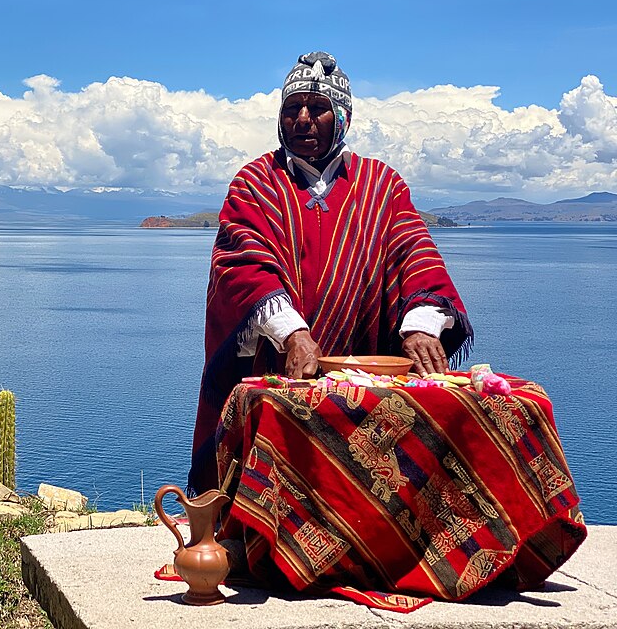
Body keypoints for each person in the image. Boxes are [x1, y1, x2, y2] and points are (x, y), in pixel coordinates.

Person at [188, 51, 473, 494]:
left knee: (359, 491)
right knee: (266, 487)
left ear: (342, 116)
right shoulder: (255, 182)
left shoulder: (381, 186)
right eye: (291, 109)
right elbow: (241, 263)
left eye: (317, 109)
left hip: (361, 378)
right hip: (276, 370)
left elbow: (416, 251)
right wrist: (291, 333)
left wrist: (422, 324)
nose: (302, 119)